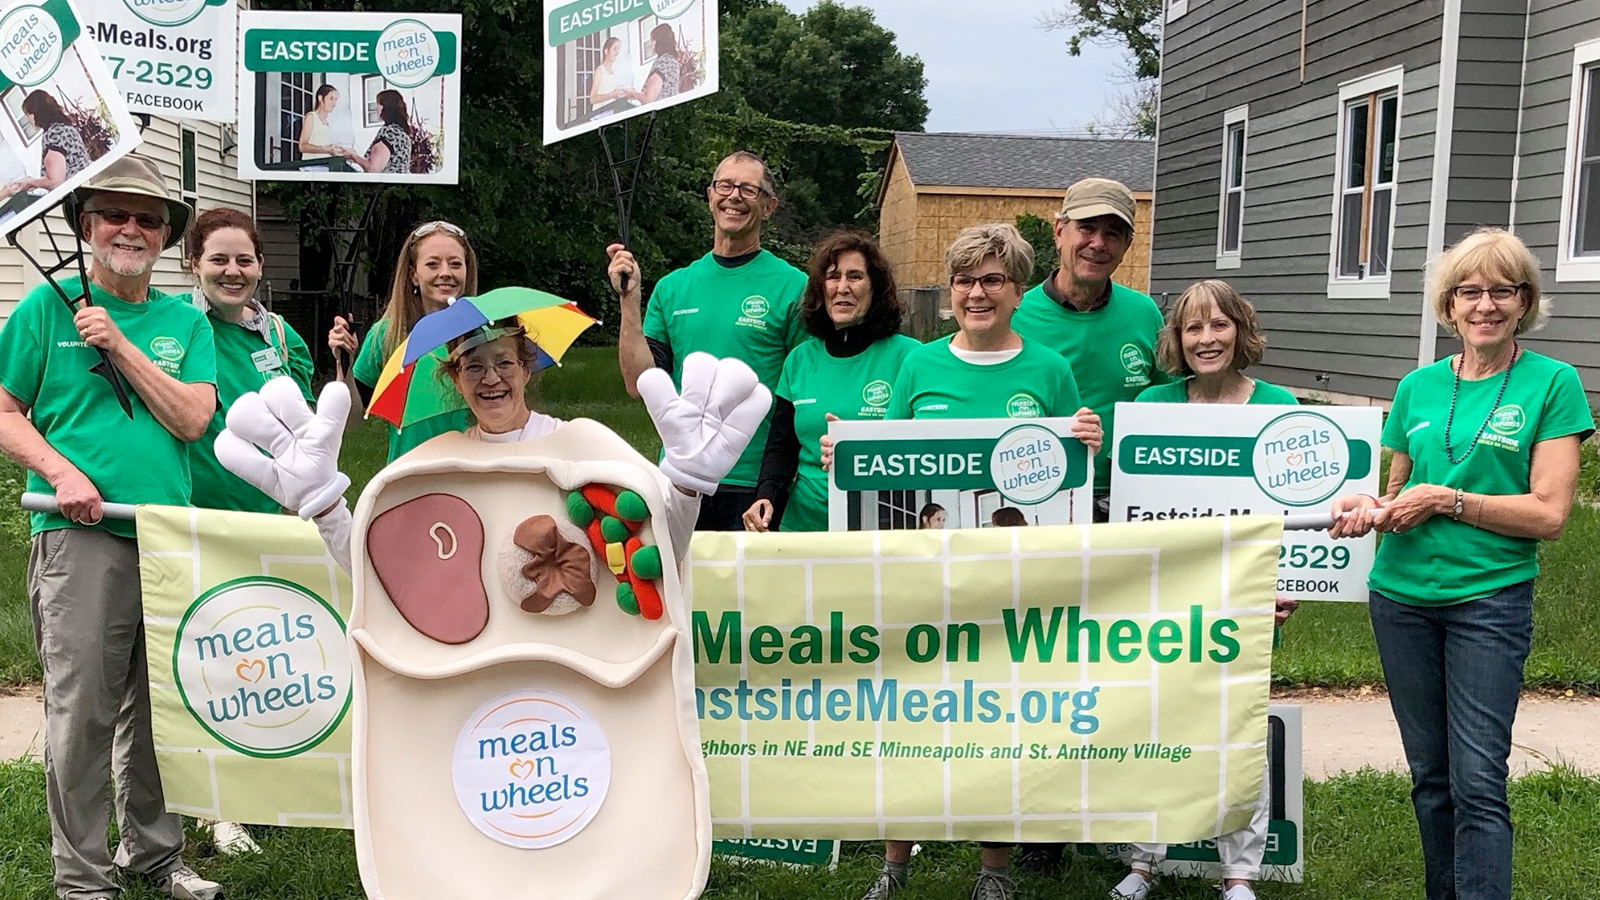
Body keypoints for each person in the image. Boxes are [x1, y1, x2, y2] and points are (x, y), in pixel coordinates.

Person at [1328, 228, 1591, 900]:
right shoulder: (1416, 387)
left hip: (1488, 600)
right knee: (1431, 777)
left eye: (1502, 290)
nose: (1485, 305)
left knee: (1478, 780)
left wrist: (1449, 501)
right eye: (1469, 291)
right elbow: (1395, 494)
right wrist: (1369, 504)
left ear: (1524, 301)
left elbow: (1550, 515)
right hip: (1400, 597)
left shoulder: (1553, 384)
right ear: (1448, 306)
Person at [856, 224, 1102, 900]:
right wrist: (846, 462)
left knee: (1002, 719)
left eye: (993, 279)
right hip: (924, 580)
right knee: (910, 712)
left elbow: (1068, 481)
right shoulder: (919, 364)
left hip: (1013, 584)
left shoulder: (1048, 369)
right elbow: (889, 467)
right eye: (965, 280)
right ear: (950, 292)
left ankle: (993, 871)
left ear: (1018, 291)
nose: (977, 292)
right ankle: (894, 863)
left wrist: (1086, 440)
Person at [0, 155, 223, 900]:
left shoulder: (185, 323)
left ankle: (155, 856)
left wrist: (119, 343)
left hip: (166, 536)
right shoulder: (44, 308)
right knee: (84, 714)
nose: (131, 227)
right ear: (86, 225)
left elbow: (193, 419)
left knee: (161, 713)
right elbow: (4, 410)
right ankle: (84, 879)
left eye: (148, 218)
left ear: (164, 237)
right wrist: (62, 474)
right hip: (81, 539)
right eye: (114, 214)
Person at [216, 321, 770, 583]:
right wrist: (324, 504)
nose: (491, 378)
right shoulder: (436, 462)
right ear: (455, 379)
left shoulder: (586, 443)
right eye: (472, 366)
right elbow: (381, 569)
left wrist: (688, 484)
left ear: (527, 367)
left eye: (505, 361)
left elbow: (663, 551)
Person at [1109, 279, 1298, 900]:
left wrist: (1290, 582)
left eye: (1219, 325)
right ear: (1177, 340)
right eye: (1193, 328)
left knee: (1236, 728)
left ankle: (1239, 873)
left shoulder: (1280, 405)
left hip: (1243, 598)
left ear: (1240, 330)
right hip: (1163, 599)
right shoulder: (1152, 406)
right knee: (1151, 720)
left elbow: (1299, 511)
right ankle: (1143, 861)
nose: (1206, 338)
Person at [609, 151, 807, 530]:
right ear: (710, 195)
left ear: (769, 207)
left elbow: (802, 389)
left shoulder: (794, 287)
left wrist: (776, 481)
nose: (734, 196)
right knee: (681, 588)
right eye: (725, 185)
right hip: (681, 478)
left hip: (752, 486)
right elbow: (639, 384)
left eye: (749, 189)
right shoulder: (673, 288)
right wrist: (629, 302)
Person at [742, 230, 919, 533]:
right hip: (801, 530)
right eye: (833, 277)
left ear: (875, 287)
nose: (843, 288)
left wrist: (860, 448)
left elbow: (926, 447)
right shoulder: (799, 360)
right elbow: (781, 447)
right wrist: (765, 496)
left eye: (855, 277)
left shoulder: (911, 357)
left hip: (881, 528)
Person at [1012, 177, 1165, 526]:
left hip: (1130, 498)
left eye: (1113, 233)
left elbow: (1174, 400)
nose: (1098, 243)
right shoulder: (1016, 314)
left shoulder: (1144, 314)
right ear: (1059, 230)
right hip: (1038, 495)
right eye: (1087, 228)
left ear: (1127, 244)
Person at [187, 206, 315, 515]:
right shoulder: (174, 323)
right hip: (189, 520)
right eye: (219, 260)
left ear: (259, 266)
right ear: (195, 264)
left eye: (244, 260)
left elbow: (305, 430)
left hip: (269, 524)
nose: (233, 271)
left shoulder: (281, 335)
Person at [328, 220, 477, 463]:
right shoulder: (387, 336)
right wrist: (343, 364)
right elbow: (351, 420)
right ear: (413, 275)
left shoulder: (482, 334)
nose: (445, 273)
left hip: (470, 477)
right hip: (406, 480)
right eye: (432, 264)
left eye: (455, 264)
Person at [0, 90, 91, 198]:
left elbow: (55, 181)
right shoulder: (66, 127)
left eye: (28, 114)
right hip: (86, 188)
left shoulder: (54, 134)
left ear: (37, 113)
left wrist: (30, 182)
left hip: (76, 197)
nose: (28, 120)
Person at [344, 90, 411, 174]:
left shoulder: (390, 132)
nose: (376, 108)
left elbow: (373, 168)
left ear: (387, 107)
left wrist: (353, 156)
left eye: (379, 104)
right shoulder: (402, 133)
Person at [631, 24, 681, 103]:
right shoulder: (673, 61)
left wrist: (633, 94)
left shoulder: (663, 62)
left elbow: (649, 98)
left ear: (658, 41)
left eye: (652, 40)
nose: (650, 44)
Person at [298, 85, 348, 159]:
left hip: (326, 166)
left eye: (335, 99)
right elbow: (302, 146)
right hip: (312, 166)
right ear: (320, 98)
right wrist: (326, 149)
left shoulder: (330, 123)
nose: (334, 103)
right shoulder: (311, 117)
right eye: (331, 98)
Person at [589, 37, 631, 116]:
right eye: (614, 49)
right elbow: (593, 99)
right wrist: (611, 95)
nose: (617, 52)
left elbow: (614, 94)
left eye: (618, 49)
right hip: (600, 115)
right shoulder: (600, 71)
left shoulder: (614, 72)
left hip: (612, 113)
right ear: (606, 51)